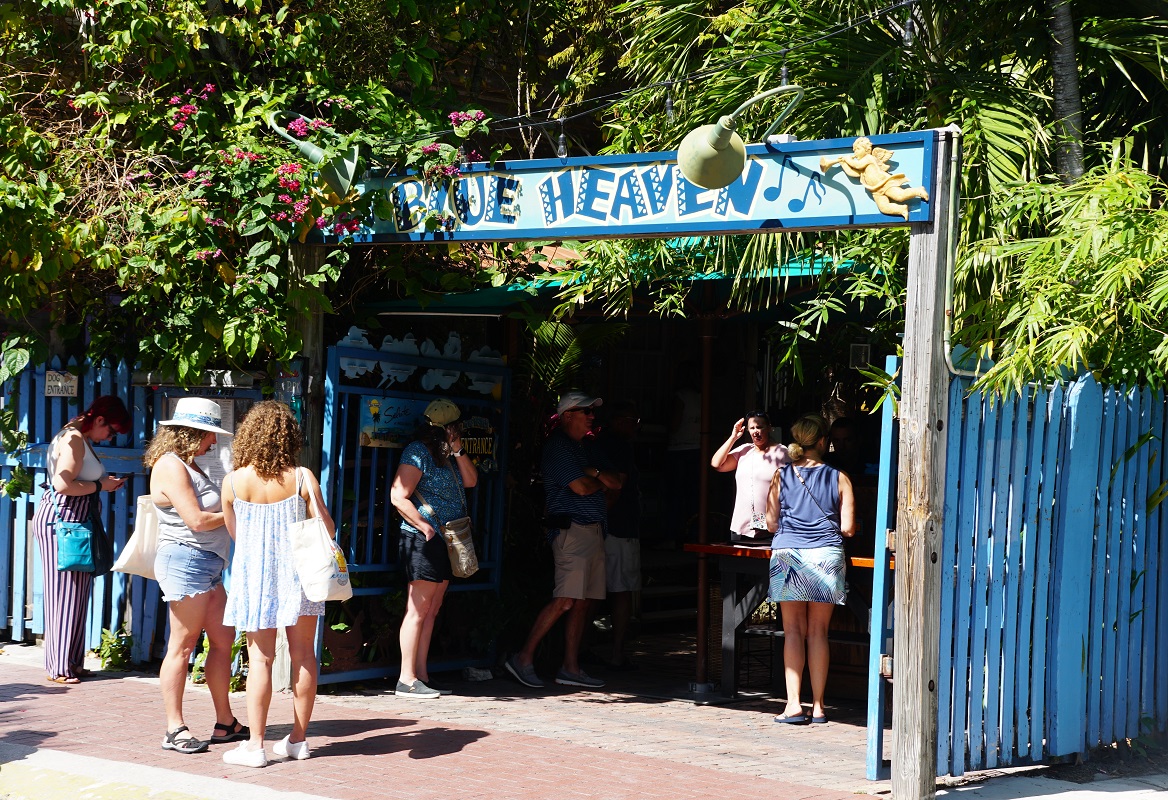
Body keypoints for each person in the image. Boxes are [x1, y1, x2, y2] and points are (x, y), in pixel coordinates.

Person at [219, 401, 334, 767]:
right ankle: (298, 740)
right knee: (303, 655)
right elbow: (326, 529)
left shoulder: (233, 481)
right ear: (290, 436)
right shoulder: (302, 477)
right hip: (299, 576)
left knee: (261, 661)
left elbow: (236, 535)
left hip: (255, 579)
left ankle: (255, 746)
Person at [146, 397, 246, 755]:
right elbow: (198, 521)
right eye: (209, 435)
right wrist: (236, 510)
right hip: (186, 560)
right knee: (183, 645)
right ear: (193, 433)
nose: (214, 443)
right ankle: (174, 729)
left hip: (208, 563)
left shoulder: (190, 465)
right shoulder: (171, 466)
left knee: (222, 640)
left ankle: (225, 722)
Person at [505, 391, 621, 689]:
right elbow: (582, 488)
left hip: (593, 530)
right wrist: (598, 480)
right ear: (568, 415)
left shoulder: (583, 449)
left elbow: (617, 482)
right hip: (572, 532)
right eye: (586, 412)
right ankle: (523, 658)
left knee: (582, 602)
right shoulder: (558, 448)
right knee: (566, 599)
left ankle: (570, 667)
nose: (592, 417)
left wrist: (594, 474)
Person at [32, 395, 130, 684]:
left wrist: (100, 485)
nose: (109, 437)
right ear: (99, 420)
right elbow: (63, 485)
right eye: (110, 431)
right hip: (64, 522)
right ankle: (59, 667)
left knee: (76, 593)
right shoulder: (74, 438)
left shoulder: (75, 431)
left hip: (77, 520)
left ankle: (71, 662)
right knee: (63, 593)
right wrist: (102, 485)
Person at [764, 413, 855, 725]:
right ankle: (818, 706)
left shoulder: (781, 476)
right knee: (818, 632)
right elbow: (848, 528)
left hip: (789, 553)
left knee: (793, 631)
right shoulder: (840, 477)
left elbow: (772, 522)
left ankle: (793, 705)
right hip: (826, 555)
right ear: (822, 441)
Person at [388, 398, 479, 699]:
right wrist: (424, 526)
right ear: (448, 427)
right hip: (423, 539)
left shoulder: (448, 455)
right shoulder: (417, 452)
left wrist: (458, 449)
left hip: (447, 539)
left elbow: (471, 480)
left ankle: (421, 675)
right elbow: (398, 496)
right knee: (418, 608)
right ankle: (406, 678)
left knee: (432, 609)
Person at [594, 400, 641, 669]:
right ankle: (616, 652)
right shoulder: (618, 445)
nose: (635, 427)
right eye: (632, 420)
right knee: (620, 590)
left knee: (594, 589)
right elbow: (616, 486)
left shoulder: (598, 442)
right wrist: (603, 517)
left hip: (606, 524)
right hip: (618, 526)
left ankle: (587, 650)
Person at [710, 411, 787, 545]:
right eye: (752, 428)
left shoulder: (782, 452)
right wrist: (733, 437)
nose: (756, 431)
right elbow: (716, 464)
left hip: (770, 527)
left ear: (769, 428)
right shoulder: (744, 450)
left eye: (760, 427)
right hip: (741, 525)